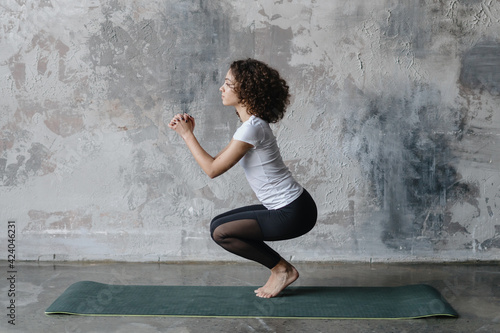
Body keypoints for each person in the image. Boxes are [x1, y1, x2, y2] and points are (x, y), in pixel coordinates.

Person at [168, 58, 317, 298]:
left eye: (228, 83)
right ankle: (281, 268)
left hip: (293, 213)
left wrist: (186, 136)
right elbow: (218, 160)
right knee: (218, 225)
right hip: (293, 207)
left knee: (222, 233)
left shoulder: (252, 128)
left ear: (246, 91)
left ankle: (282, 270)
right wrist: (190, 133)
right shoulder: (250, 126)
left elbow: (212, 169)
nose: (221, 88)